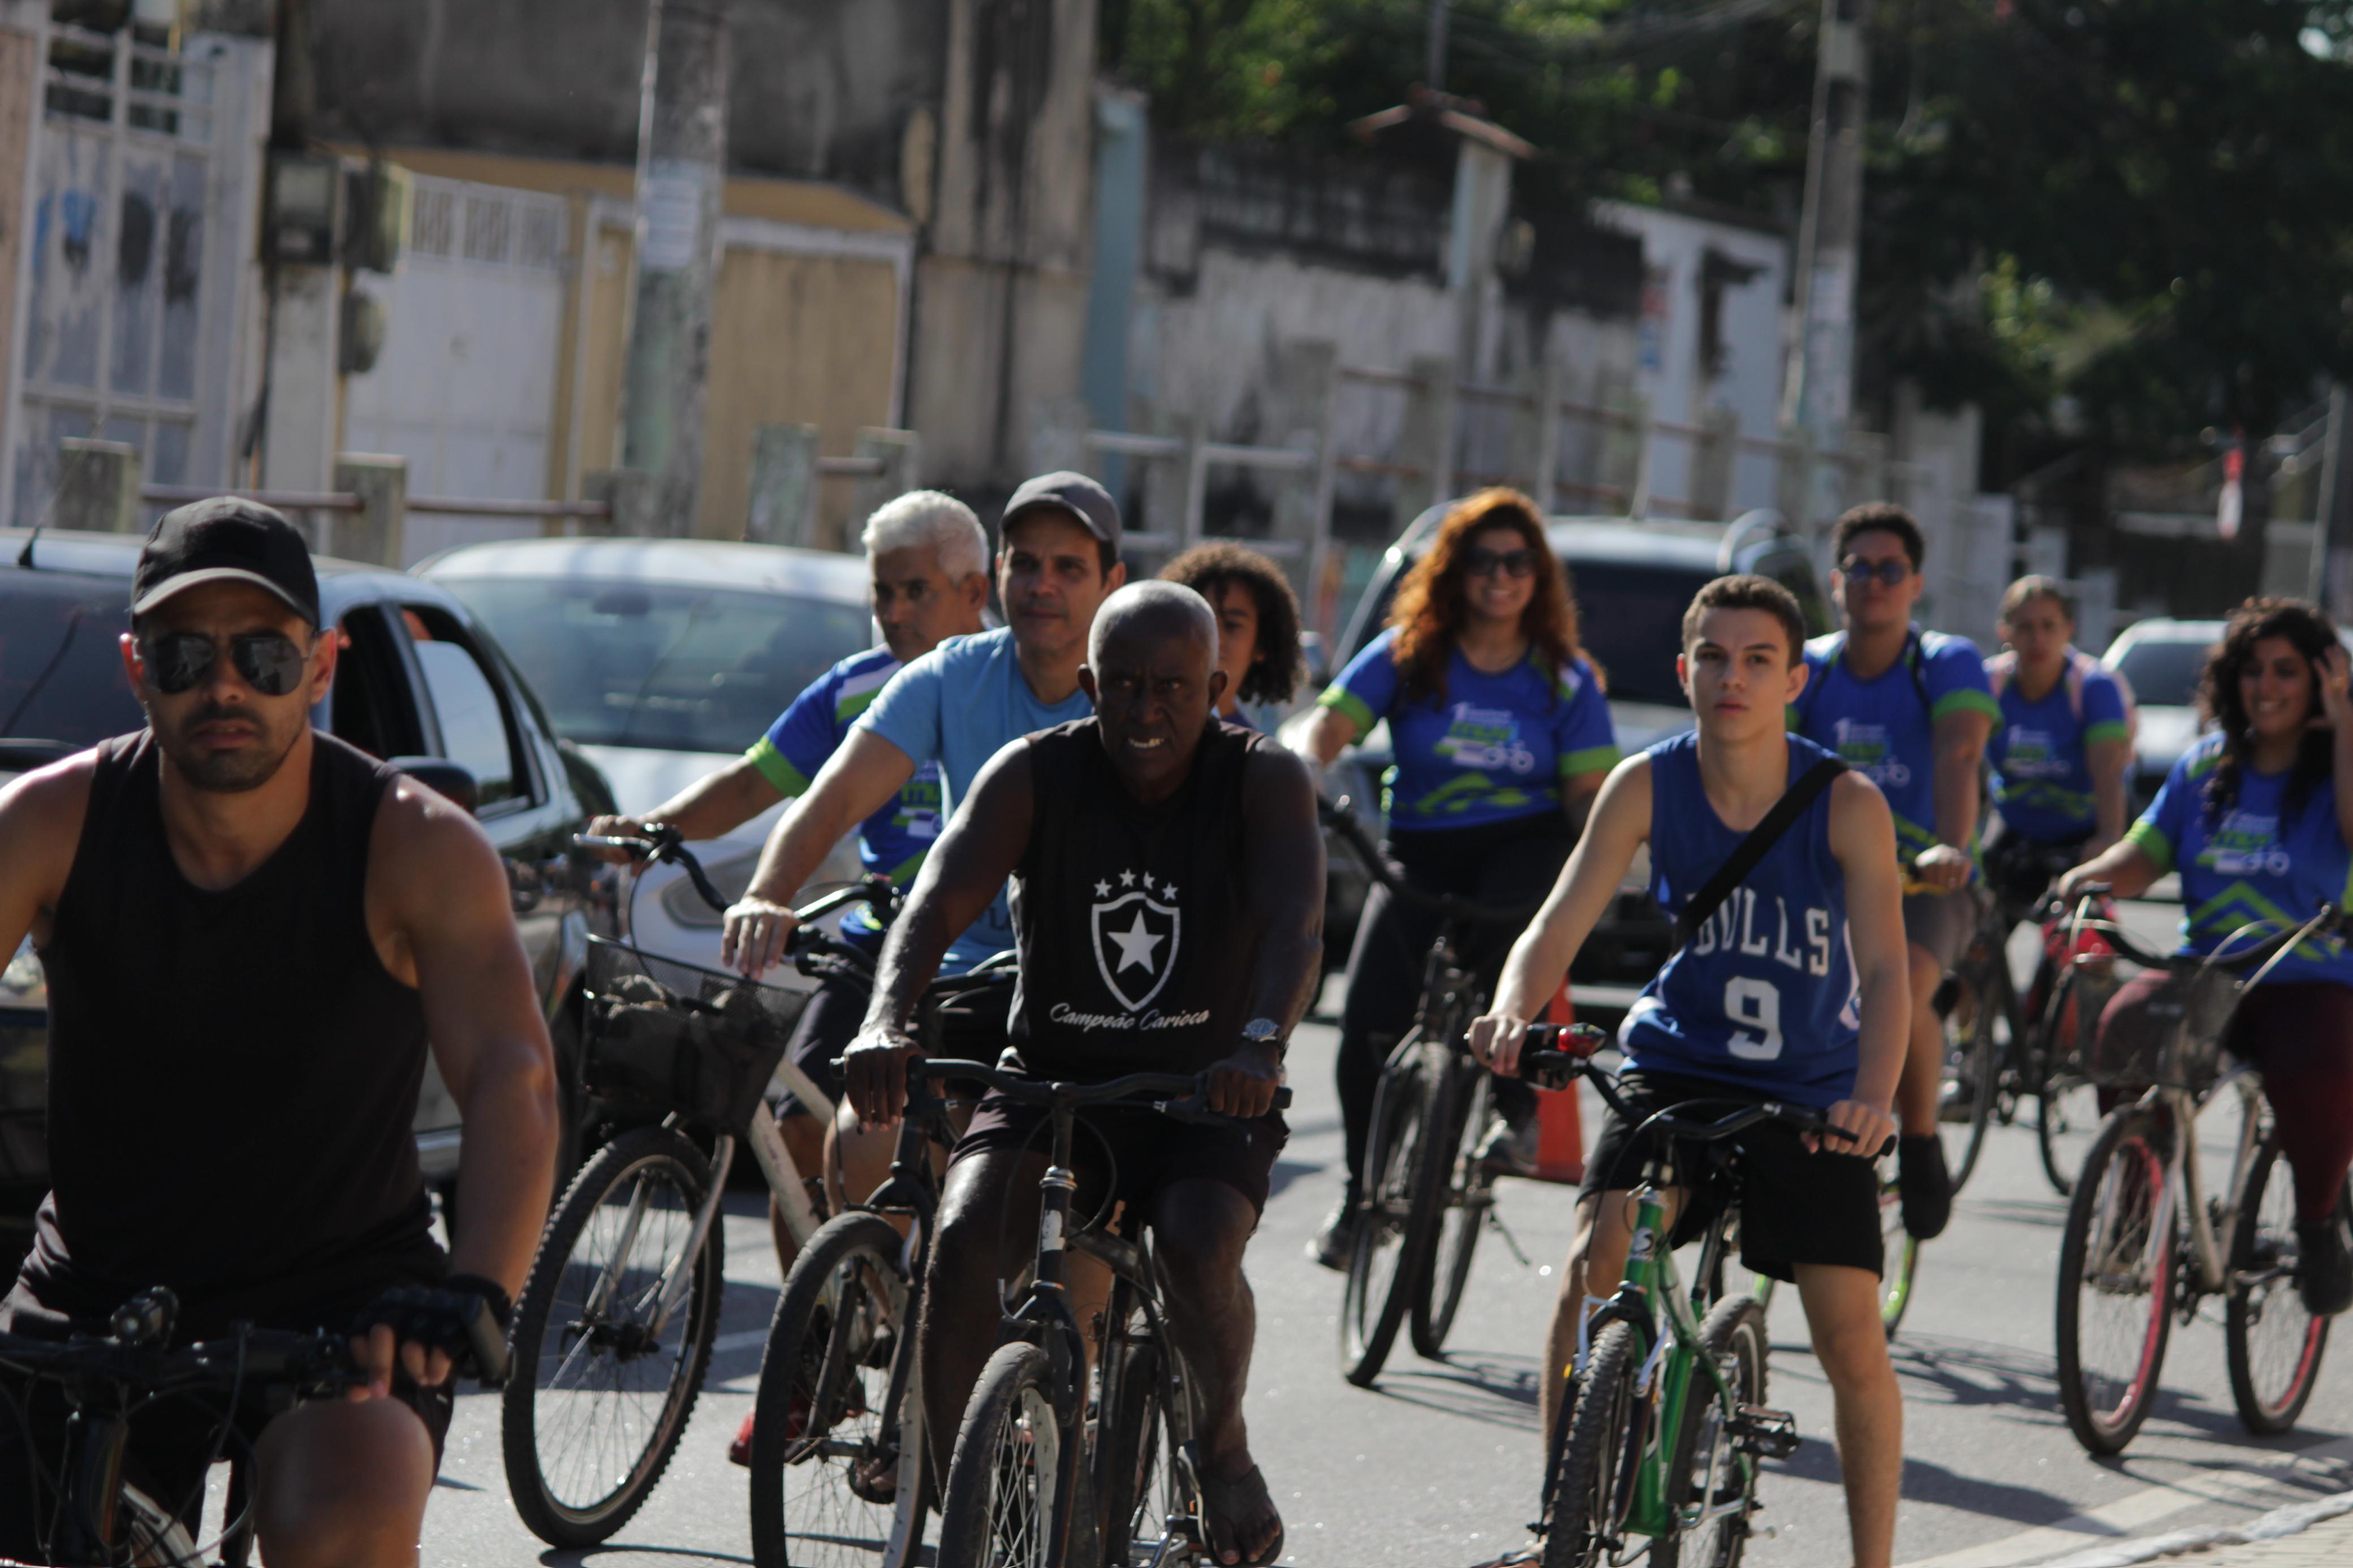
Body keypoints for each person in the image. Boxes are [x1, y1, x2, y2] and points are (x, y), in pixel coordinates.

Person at [0, 500, 558, 1562]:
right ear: (135, 665)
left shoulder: (415, 842)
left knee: (340, 1520)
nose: (224, 686)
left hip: (339, 1306)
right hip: (97, 1295)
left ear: (321, 665)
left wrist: (476, 1288)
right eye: (185, 654)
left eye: (262, 654)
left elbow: (510, 1073)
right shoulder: (49, 819)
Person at [841, 582, 1324, 1568]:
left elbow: (1295, 925)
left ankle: (1220, 1446)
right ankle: (970, 1492)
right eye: (1128, 689)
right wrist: (886, 1016)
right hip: (1053, 1080)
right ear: (1091, 686)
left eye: (1174, 690)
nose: (1148, 713)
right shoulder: (1035, 773)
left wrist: (1260, 1045)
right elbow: (935, 900)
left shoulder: (1261, 778)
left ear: (1219, 687)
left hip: (1205, 1091)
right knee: (969, 1237)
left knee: (1195, 1248)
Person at [1468, 573, 1908, 1568]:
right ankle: (1563, 1526)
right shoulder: (1648, 784)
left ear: (1796, 679)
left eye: (1759, 660)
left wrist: (1874, 1099)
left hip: (1813, 1090)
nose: (1733, 677)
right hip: (1676, 1065)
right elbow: (1558, 921)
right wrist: (1509, 1010)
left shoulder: (1847, 803)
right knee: (1596, 1259)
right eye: (1714, 656)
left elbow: (1885, 970)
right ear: (1684, 668)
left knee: (1850, 1340)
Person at [582, 490, 992, 1465]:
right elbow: (758, 781)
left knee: (947, 1154)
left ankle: (947, 1361)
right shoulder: (856, 688)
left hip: (985, 950)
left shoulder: (1010, 681)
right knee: (800, 1122)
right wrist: (657, 830)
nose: (894, 613)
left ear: (975, 589)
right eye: (881, 593)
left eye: (916, 592)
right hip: (879, 941)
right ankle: (822, 1361)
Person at [1291, 488, 1618, 1267]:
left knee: (1512, 947)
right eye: (1482, 560)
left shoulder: (1564, 678)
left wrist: (1610, 846)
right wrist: (1302, 764)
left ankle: (1515, 1112)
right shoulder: (1411, 652)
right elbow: (1328, 724)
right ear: (1453, 570)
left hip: (1522, 847)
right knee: (1367, 1018)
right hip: (1420, 847)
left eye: (1517, 562)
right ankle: (1359, 1192)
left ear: (1537, 576)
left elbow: (1587, 796)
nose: (1500, 577)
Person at [2058, 597, 2353, 1316]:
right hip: (2208, 972)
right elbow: (2144, 854)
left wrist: (2345, 717)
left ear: (2321, 679)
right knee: (2123, 1027)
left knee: (2313, 1068)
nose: (2267, 685)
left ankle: (2317, 1225)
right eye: (2252, 669)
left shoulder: (2336, 763)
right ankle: (2135, 1201)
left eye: (2287, 670)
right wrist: (2085, 880)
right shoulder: (2203, 766)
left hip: (2307, 973)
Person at [718, 470, 1127, 978]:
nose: (1042, 584)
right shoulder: (945, 674)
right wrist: (763, 897)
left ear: (1113, 582)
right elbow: (837, 798)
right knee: (822, 1054)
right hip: (947, 975)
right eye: (1025, 563)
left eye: (1068, 568)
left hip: (1095, 979)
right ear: (998, 572)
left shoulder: (1142, 692)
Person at [1787, 501, 1998, 1241]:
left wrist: (1949, 847)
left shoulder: (1945, 661)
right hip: (1825, 869)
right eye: (1859, 568)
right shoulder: (1805, 666)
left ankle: (1918, 1138)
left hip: (1923, 875)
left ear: (1916, 583)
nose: (1874, 582)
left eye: (1891, 570)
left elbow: (1959, 753)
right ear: (1836, 580)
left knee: (1905, 979)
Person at [1982, 576, 2134, 910]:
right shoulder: (1990, 683)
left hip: (2081, 831)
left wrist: (2109, 838)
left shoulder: (2095, 686)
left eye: (2049, 626)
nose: (2038, 639)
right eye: (2025, 627)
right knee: (1977, 938)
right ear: (2004, 632)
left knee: (2084, 944)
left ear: (2069, 629)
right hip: (2014, 825)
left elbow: (2108, 772)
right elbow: (1958, 761)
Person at [1159, 541, 1308, 729]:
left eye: (1232, 625)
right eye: (1203, 621)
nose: (1215, 637)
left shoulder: (1252, 753)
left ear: (1261, 644)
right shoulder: (1139, 724)